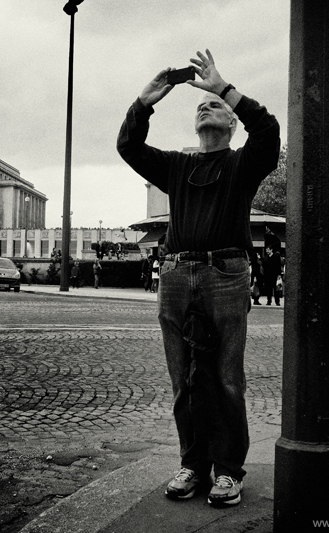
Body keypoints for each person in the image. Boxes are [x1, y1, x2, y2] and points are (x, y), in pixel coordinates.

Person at [117, 49, 280, 507]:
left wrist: (222, 88)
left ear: (230, 125)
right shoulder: (177, 166)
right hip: (174, 275)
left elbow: (268, 130)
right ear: (194, 128)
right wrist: (145, 100)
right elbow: (128, 146)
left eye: (216, 108)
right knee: (184, 379)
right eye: (200, 107)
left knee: (227, 378)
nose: (205, 108)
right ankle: (193, 464)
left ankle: (228, 472)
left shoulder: (242, 164)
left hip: (226, 275)